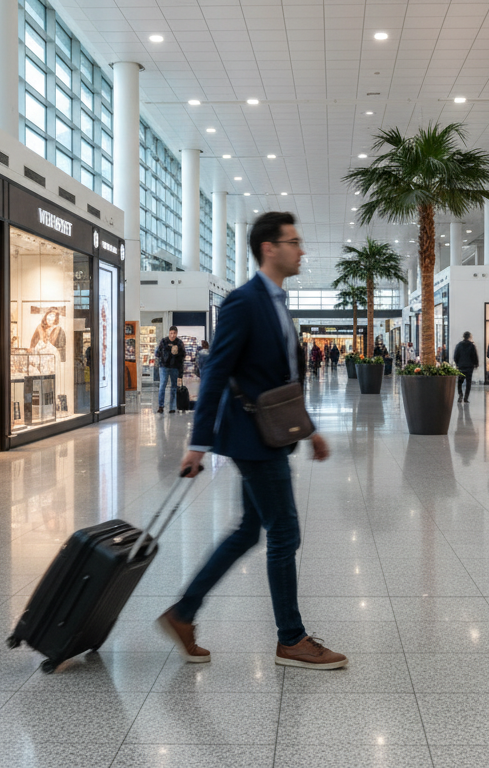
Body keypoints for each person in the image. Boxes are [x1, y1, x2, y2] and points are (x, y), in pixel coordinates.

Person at [158, 211, 346, 670]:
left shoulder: (279, 302)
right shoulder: (244, 301)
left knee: (248, 530)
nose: (301, 250)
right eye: (294, 241)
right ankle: (291, 639)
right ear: (269, 248)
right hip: (251, 438)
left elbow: (282, 379)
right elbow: (216, 372)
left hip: (271, 433)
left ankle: (184, 613)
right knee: (284, 531)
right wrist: (197, 443)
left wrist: (310, 428)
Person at [156, 325, 185, 413]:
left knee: (174, 387)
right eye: (171, 333)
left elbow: (182, 358)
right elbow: (157, 353)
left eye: (174, 333)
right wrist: (168, 349)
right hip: (164, 367)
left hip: (174, 367)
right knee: (162, 385)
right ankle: (161, 406)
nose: (172, 335)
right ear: (169, 333)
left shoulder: (179, 343)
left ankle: (172, 407)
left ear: (176, 334)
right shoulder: (164, 341)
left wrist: (181, 373)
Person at [453, 331, 479, 404]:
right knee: (468, 382)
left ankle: (460, 394)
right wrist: (476, 364)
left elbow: (455, 356)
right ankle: (466, 398)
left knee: (460, 382)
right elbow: (474, 356)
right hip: (469, 367)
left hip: (461, 367)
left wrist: (458, 364)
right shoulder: (472, 346)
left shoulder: (459, 345)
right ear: (469, 337)